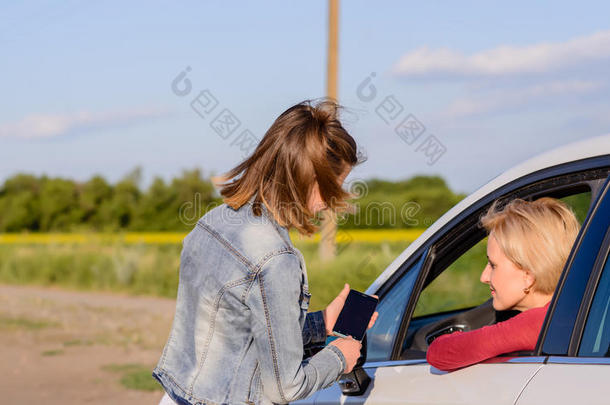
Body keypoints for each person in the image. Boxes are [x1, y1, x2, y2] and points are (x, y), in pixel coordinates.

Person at [152, 99, 378, 405]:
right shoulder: (276, 261)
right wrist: (339, 356)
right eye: (334, 185)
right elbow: (286, 388)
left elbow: (238, 338)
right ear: (310, 179)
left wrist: (323, 321)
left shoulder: (212, 222)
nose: (332, 201)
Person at [426, 197, 580, 372]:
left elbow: (439, 353)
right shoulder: (580, 309)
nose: (484, 277)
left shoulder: (537, 324)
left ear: (528, 276)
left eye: (493, 265)